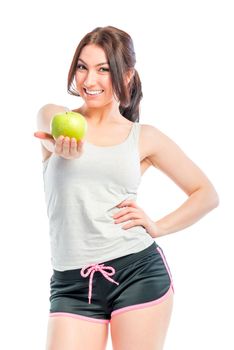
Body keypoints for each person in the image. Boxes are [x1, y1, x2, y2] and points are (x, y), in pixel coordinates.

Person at [34, 26, 219, 350]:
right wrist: (61, 147)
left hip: (138, 273)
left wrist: (158, 227)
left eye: (103, 69)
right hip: (70, 284)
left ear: (127, 75)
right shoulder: (55, 118)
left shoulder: (144, 137)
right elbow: (49, 121)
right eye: (82, 66)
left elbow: (206, 193)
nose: (89, 81)